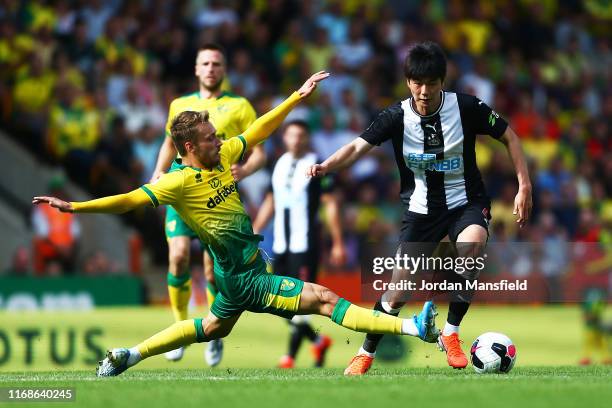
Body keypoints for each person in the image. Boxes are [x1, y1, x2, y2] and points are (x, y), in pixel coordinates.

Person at [33, 72, 439, 377]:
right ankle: (413, 326)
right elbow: (129, 200)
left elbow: (256, 130)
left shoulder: (221, 155)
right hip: (243, 276)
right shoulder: (178, 182)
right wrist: (75, 207)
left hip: (237, 272)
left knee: (211, 327)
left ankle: (130, 355)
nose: (219, 140)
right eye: (210, 137)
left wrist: (296, 97)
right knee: (325, 299)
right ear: (190, 147)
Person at [306, 42, 532, 374]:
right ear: (408, 81)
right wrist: (326, 165)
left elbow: (510, 136)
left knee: (471, 246)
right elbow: (357, 146)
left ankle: (451, 333)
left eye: (431, 83)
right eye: (417, 82)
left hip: (466, 202)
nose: (424, 91)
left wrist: (523, 185)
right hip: (420, 210)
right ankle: (366, 353)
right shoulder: (395, 116)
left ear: (443, 81)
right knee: (397, 292)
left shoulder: (467, 107)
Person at [149, 43, 265, 365]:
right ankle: (179, 328)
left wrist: (246, 168)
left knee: (212, 271)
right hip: (185, 193)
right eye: (206, 63)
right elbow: (168, 144)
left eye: (216, 63)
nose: (211, 68)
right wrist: (159, 171)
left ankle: (213, 334)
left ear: (223, 70)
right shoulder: (179, 104)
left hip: (217, 198)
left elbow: (259, 150)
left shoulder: (240, 105)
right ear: (197, 69)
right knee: (178, 257)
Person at [252, 120, 346, 368]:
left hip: (306, 245)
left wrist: (337, 242)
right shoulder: (278, 163)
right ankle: (317, 342)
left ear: (307, 138)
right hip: (280, 244)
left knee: (300, 300)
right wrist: (255, 231)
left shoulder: (318, 164)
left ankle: (290, 357)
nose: (295, 140)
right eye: (291, 135)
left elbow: (330, 203)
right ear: (285, 137)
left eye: (300, 135)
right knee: (276, 300)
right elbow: (270, 201)